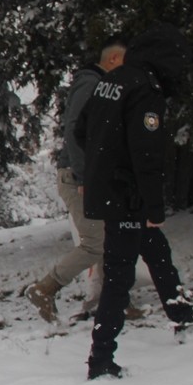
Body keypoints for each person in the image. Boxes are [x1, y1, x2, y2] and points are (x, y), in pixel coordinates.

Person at [74, 22, 193, 380]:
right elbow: (147, 157)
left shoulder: (112, 82)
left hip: (112, 191)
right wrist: (152, 207)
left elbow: (82, 131)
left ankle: (183, 316)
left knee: (158, 255)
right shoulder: (146, 90)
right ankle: (101, 360)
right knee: (119, 278)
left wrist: (105, 162)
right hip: (127, 197)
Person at [26, 37, 127, 322]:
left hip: (91, 175)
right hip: (78, 176)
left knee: (110, 240)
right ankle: (45, 288)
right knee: (94, 244)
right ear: (113, 61)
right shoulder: (91, 85)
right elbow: (75, 132)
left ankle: (111, 300)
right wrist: (85, 176)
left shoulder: (100, 86)